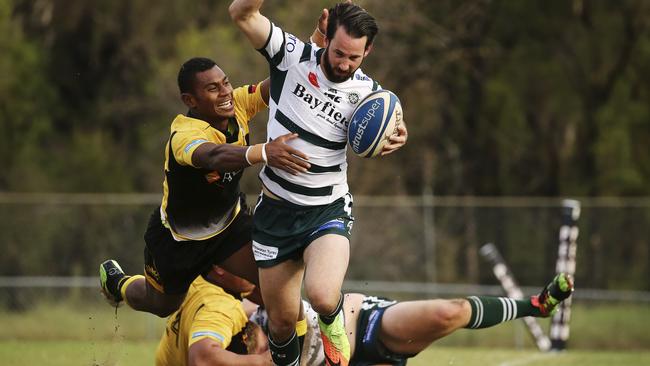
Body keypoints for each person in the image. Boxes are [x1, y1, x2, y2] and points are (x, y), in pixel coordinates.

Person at [229, 1, 408, 365]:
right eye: (339, 52)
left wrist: (399, 134)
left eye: (354, 57)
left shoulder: (369, 94)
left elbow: (392, 123)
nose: (344, 63)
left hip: (325, 209)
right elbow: (242, 14)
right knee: (281, 324)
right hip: (275, 213)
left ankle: (333, 325)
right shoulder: (292, 56)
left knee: (324, 295)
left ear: (368, 51)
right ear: (326, 38)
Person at [98, 56, 311, 317]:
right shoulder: (184, 134)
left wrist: (319, 46)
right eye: (213, 89)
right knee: (163, 306)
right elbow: (213, 157)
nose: (225, 93)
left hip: (229, 227)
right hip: (179, 241)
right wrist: (264, 151)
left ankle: (300, 351)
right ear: (190, 101)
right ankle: (118, 284)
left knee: (276, 285)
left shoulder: (239, 104)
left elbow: (284, 80)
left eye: (226, 83)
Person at [156, 266, 575, 366]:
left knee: (453, 311)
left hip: (361, 324)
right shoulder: (222, 322)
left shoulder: (245, 302)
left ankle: (534, 306)